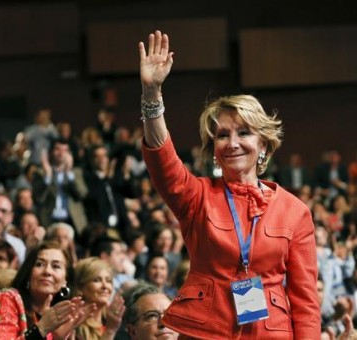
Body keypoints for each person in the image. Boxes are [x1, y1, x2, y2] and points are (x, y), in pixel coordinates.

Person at [138, 31, 319, 338]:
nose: (232, 143)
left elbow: (306, 302)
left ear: (264, 143)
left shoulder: (295, 212)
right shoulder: (197, 196)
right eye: (222, 135)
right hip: (203, 331)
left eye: (244, 133)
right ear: (213, 149)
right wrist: (152, 94)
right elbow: (161, 158)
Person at [0, 241, 89, 339]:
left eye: (56, 266)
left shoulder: (60, 319)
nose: (47, 271)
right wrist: (41, 329)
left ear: (66, 280)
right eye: (39, 264)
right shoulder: (6, 299)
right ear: (29, 273)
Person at [73, 257, 125, 340]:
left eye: (108, 281)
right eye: (96, 280)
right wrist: (110, 331)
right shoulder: (74, 325)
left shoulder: (113, 321)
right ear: (80, 288)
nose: (105, 286)